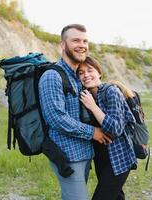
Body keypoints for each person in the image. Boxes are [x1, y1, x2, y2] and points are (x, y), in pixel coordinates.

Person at [38, 24, 111, 200]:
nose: (82, 45)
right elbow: (56, 117)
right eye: (76, 40)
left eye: (85, 41)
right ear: (63, 45)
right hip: (68, 155)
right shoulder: (52, 76)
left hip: (84, 152)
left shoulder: (76, 77)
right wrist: (93, 132)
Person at [78, 56, 137, 200]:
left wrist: (92, 106)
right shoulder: (85, 95)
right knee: (116, 196)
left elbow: (115, 129)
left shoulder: (111, 92)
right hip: (101, 158)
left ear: (99, 72)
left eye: (89, 70)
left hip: (119, 158)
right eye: (81, 72)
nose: (86, 75)